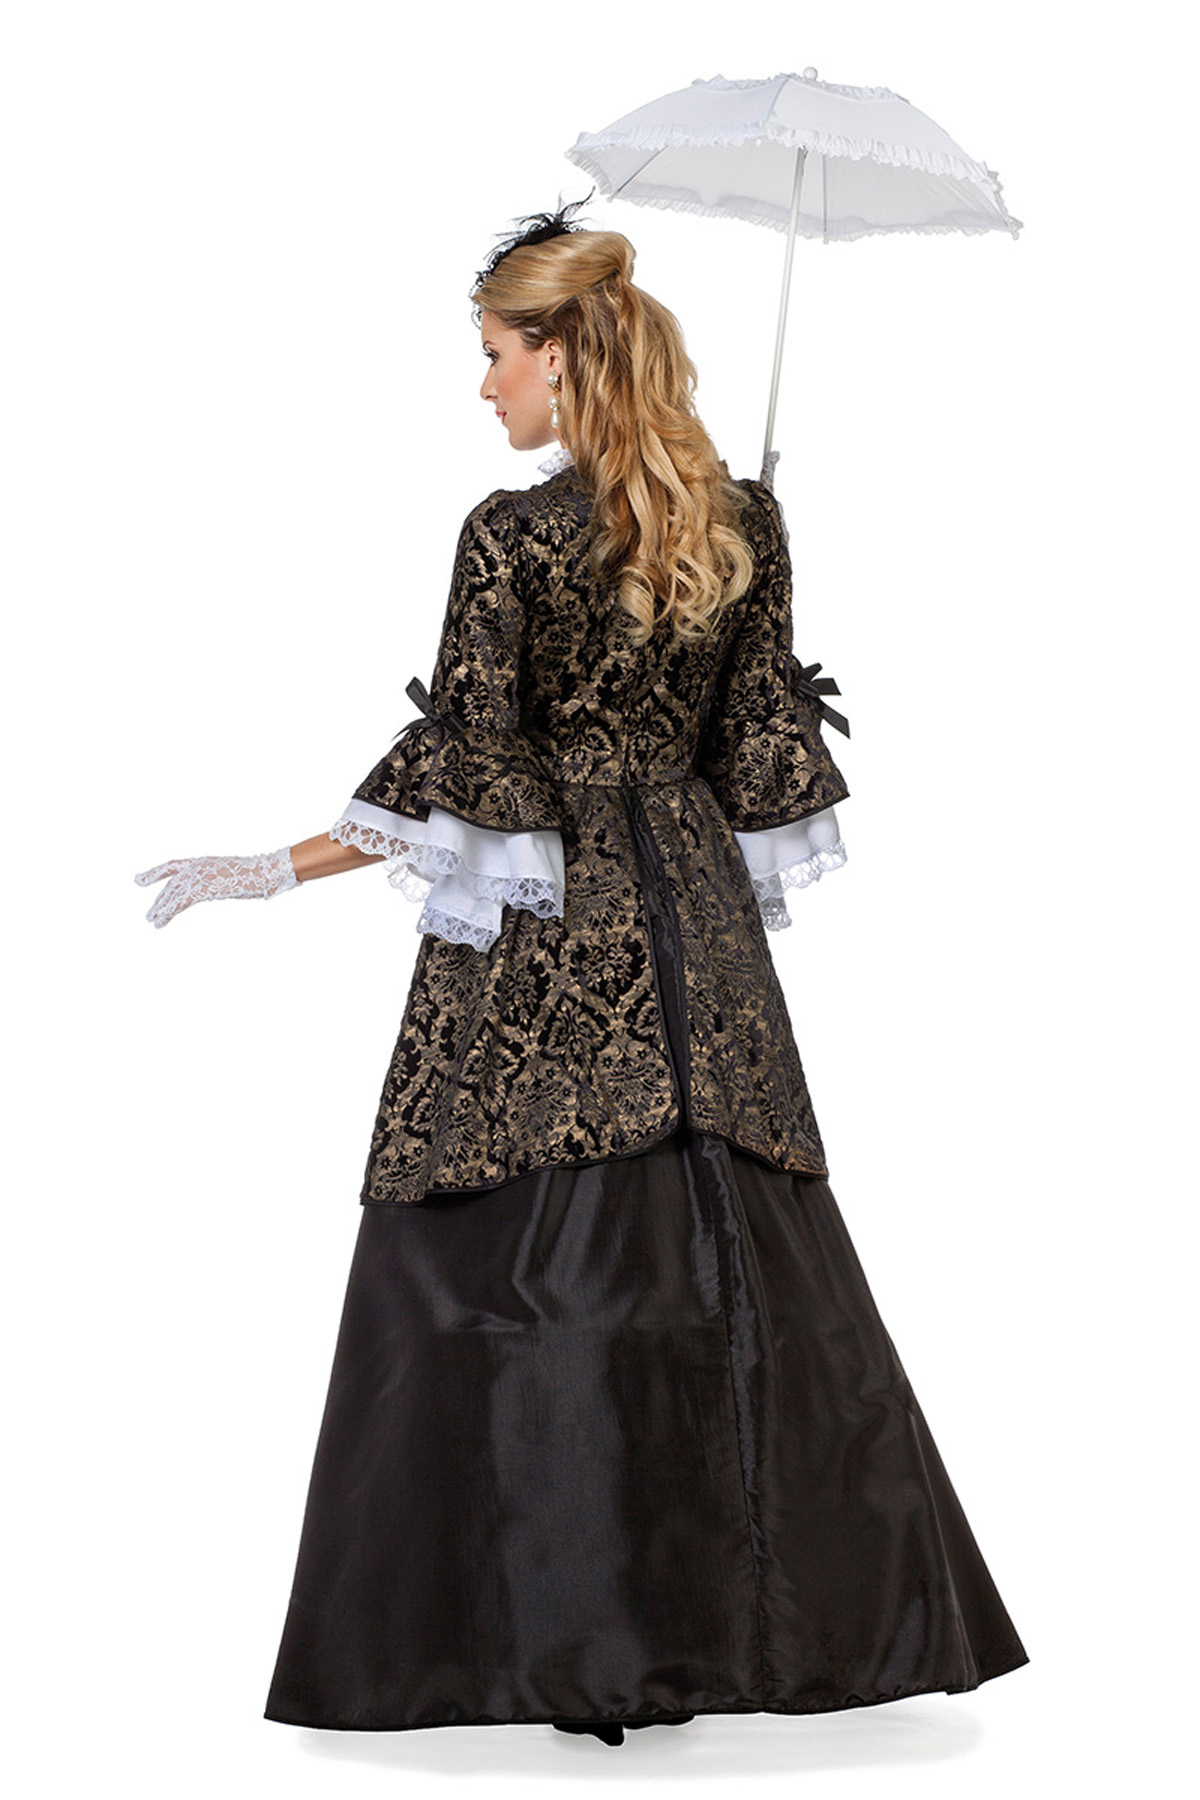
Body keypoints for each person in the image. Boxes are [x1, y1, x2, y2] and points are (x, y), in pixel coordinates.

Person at [135, 203, 1029, 1747]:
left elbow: (468, 759)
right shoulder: (740, 522)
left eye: (495, 354)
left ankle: (569, 1646)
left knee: (505, 1259)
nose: (483, 386)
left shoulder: (513, 535)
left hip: (554, 952)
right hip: (696, 939)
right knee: (718, 1258)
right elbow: (761, 760)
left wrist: (278, 865)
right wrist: (733, 574)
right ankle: (719, 1638)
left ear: (559, 354)